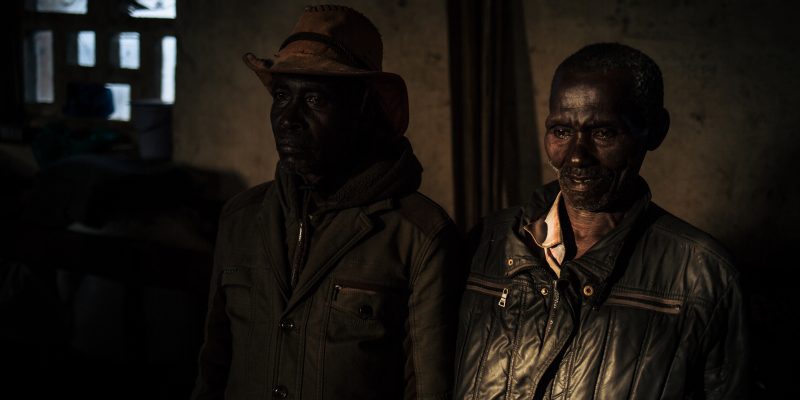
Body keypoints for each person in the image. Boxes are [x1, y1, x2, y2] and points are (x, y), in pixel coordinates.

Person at [192, 5, 462, 399]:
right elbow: (213, 366)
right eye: (282, 95)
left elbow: (428, 389)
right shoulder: (242, 219)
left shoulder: (419, 237)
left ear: (363, 111)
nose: (289, 118)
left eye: (315, 100)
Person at [453, 43, 748, 399]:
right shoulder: (488, 242)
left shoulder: (702, 276)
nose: (577, 157)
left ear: (655, 130)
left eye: (603, 132)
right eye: (561, 131)